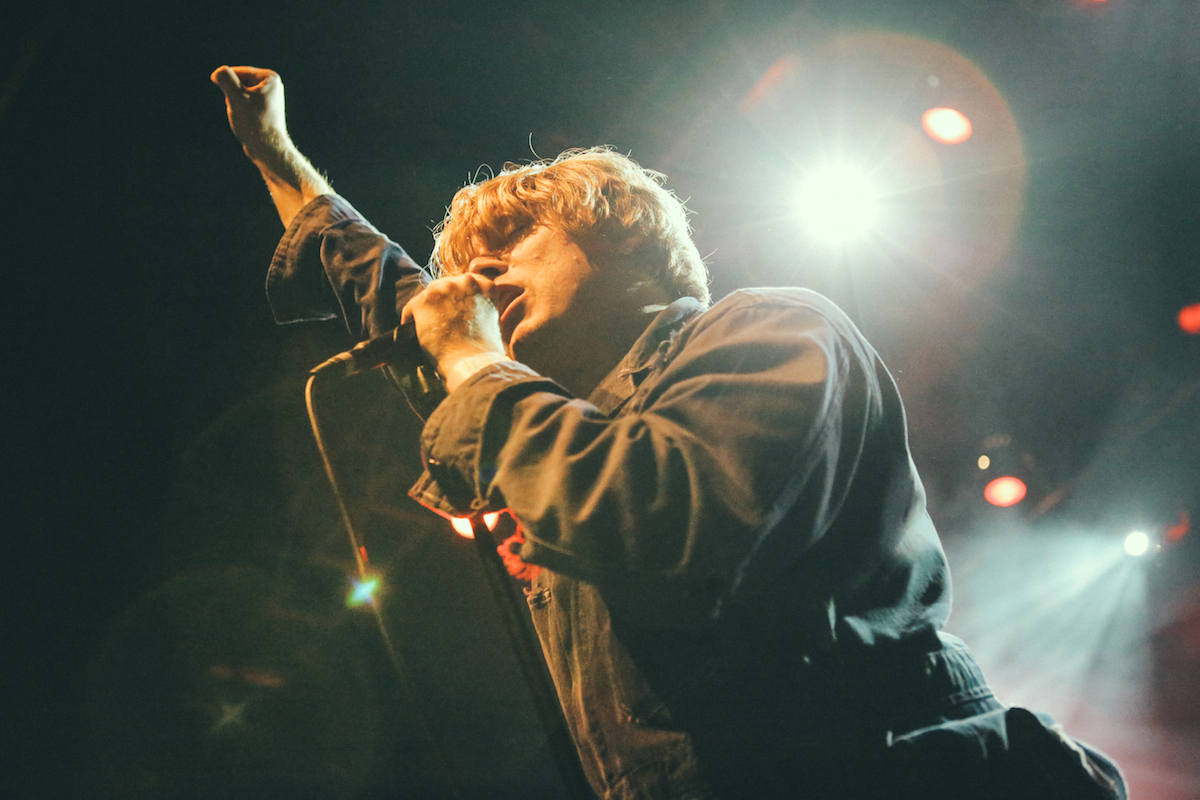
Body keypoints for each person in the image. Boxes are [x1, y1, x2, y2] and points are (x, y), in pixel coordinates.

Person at [212, 65, 1127, 800]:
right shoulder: (562, 427)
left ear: (622, 238)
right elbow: (395, 290)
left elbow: (664, 513)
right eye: (468, 266)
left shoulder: (769, 329)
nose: (476, 277)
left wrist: (478, 364)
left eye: (514, 238)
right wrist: (280, 160)